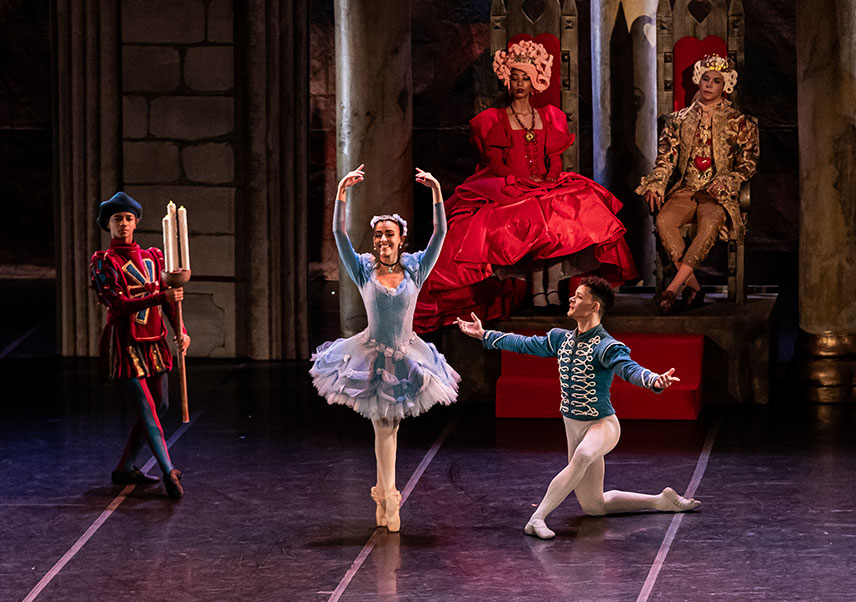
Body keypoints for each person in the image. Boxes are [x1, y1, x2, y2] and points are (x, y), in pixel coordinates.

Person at [414, 39, 637, 332]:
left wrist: (550, 178)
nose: (520, 83)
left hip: (543, 183)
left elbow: (555, 158)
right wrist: (519, 181)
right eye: (515, 78)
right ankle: (535, 291)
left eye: (526, 78)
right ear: (508, 81)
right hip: (509, 184)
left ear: (535, 83)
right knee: (531, 217)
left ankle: (553, 290)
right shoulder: (495, 119)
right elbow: (496, 162)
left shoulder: (548, 117)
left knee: (566, 213)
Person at [456, 276, 699, 539]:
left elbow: (629, 369)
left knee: (582, 456)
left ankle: (537, 518)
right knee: (594, 506)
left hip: (602, 425)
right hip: (572, 426)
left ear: (595, 307)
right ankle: (660, 501)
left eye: (579, 296)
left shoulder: (605, 346)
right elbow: (524, 344)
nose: (572, 299)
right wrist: (485, 335)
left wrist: (654, 379)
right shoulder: (562, 340)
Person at [310, 164, 460, 532]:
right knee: (383, 425)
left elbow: (441, 232)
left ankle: (386, 494)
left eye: (388, 234)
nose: (382, 240)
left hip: (407, 355)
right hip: (373, 354)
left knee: (389, 425)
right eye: (377, 235)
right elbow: (338, 233)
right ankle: (388, 497)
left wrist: (437, 191)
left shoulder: (415, 270)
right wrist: (342, 193)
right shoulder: (363, 270)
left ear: (400, 239)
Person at [636, 53, 759, 314]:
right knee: (663, 221)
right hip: (685, 189)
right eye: (705, 78)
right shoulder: (678, 120)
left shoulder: (740, 122)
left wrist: (727, 180)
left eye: (715, 81)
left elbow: (747, 164)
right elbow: (665, 160)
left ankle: (672, 289)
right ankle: (692, 286)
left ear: (724, 86)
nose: (709, 85)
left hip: (716, 195)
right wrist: (656, 183)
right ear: (698, 80)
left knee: (710, 224)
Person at [89, 191, 190, 499]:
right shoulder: (103, 261)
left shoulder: (153, 257)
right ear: (108, 225)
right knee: (146, 406)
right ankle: (167, 468)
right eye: (117, 219)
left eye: (128, 218)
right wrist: (161, 297)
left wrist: (180, 330)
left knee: (160, 404)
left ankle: (126, 467)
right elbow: (118, 304)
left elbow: (171, 301)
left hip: (154, 341)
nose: (123, 224)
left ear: (136, 223)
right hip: (125, 342)